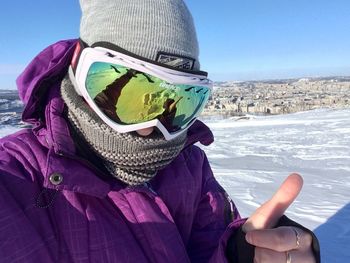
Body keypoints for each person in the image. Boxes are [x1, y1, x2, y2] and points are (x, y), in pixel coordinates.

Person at [0, 0, 320, 262]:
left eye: (179, 101)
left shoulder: (189, 166)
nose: (150, 131)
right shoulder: (14, 182)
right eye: (128, 93)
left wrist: (243, 252)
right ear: (77, 68)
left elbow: (208, 249)